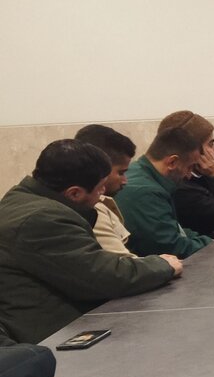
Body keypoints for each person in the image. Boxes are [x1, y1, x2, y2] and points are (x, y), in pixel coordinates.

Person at [0, 140, 180, 344]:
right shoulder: (43, 220)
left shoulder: (20, 200)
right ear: (74, 193)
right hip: (54, 338)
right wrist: (163, 265)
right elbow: (104, 276)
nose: (102, 195)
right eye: (100, 188)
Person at [115, 127, 213, 258]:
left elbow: (174, 231)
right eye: (189, 167)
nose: (189, 175)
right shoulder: (146, 193)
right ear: (172, 162)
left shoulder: (138, 171)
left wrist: (205, 240)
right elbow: (172, 247)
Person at [74, 124, 137, 256]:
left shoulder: (102, 202)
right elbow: (122, 263)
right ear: (101, 169)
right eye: (121, 173)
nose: (125, 180)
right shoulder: (92, 209)